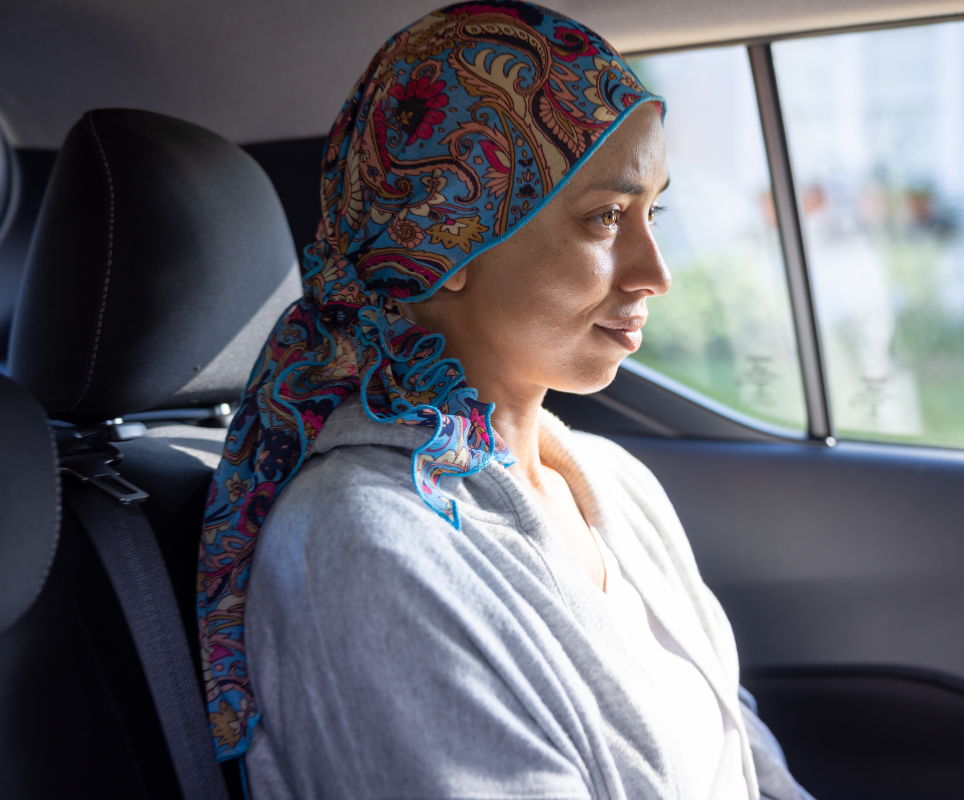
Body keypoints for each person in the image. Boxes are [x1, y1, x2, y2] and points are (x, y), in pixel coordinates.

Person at [197, 2, 813, 797]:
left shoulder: (615, 483)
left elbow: (752, 764)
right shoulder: (368, 547)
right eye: (606, 218)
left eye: (653, 211)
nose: (656, 273)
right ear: (445, 235)